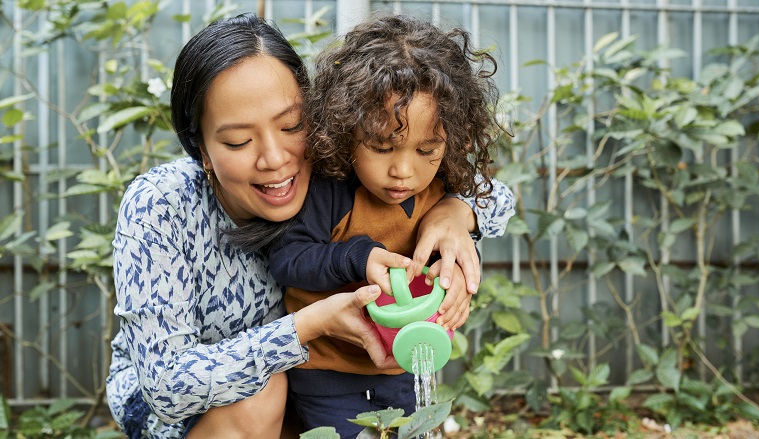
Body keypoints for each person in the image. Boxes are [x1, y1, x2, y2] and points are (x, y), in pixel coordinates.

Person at [105, 12, 515, 439]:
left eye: (291, 125)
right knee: (262, 395)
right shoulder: (163, 204)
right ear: (201, 150)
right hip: (197, 411)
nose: (275, 158)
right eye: (238, 141)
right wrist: (307, 326)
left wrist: (455, 212)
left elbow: (492, 195)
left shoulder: (347, 159)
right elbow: (166, 388)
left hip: (315, 391)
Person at [267, 14, 510, 437]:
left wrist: (455, 286)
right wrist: (358, 258)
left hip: (405, 362)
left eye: (427, 149)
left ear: (452, 138)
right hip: (329, 368)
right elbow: (288, 259)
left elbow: (484, 219)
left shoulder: (444, 189)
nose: (403, 171)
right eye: (382, 147)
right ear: (346, 130)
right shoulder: (331, 191)